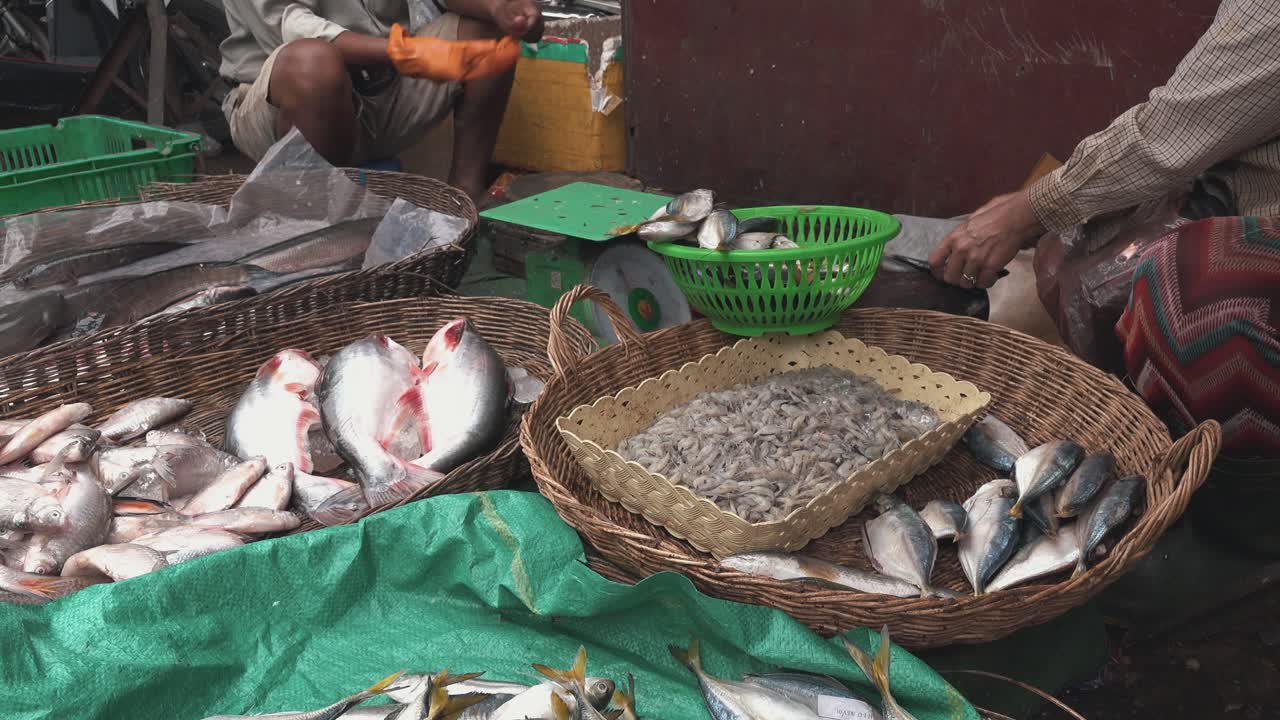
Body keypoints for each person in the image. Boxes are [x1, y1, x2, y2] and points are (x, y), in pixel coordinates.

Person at [927, 0, 1280, 457]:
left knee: (1185, 285)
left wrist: (1027, 210)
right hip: (1232, 194)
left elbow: (1167, 135)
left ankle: (1223, 496)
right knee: (1084, 234)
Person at [219, 0, 544, 201]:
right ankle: (318, 220)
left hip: (383, 89)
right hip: (279, 108)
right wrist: (403, 53)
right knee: (314, 63)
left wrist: (502, 8)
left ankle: (465, 192)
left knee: (488, 30)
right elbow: (291, 26)